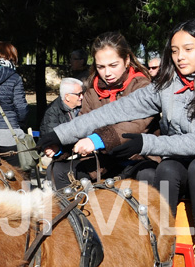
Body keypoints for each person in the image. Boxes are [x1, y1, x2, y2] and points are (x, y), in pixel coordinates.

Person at [40, 20, 195, 267]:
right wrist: (61, 135)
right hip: (181, 161)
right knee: (167, 169)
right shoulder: (166, 87)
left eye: (188, 49)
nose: (180, 57)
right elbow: (114, 111)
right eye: (174, 51)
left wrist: (143, 143)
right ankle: (162, 250)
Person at [53, 31, 153, 184]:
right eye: (101, 67)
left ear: (126, 60)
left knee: (148, 175)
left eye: (113, 65)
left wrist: (98, 140)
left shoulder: (142, 86)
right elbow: (82, 124)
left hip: (138, 156)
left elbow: (136, 125)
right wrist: (61, 147)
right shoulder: (92, 90)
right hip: (104, 159)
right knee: (59, 171)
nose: (107, 73)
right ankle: (73, 208)